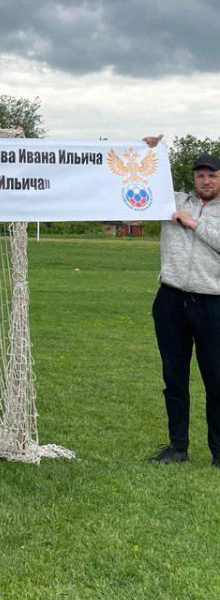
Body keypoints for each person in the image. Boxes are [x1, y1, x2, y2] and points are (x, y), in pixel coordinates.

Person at [142, 143, 220, 468]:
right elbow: (144, 184)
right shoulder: (171, 202)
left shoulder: (195, 213)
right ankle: (177, 447)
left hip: (212, 303)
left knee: (215, 378)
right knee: (174, 378)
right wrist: (150, 152)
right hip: (171, 299)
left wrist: (193, 224)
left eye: (212, 176)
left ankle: (218, 451)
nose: (205, 181)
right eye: (200, 175)